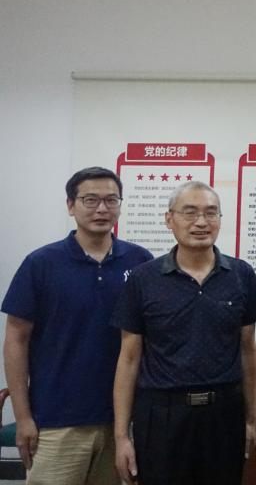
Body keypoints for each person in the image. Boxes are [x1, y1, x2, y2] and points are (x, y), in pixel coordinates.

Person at [1, 167, 153, 484]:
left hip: (121, 423)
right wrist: (23, 417)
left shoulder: (140, 262)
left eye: (111, 200)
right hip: (56, 421)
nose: (102, 209)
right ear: (71, 205)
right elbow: (16, 340)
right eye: (90, 200)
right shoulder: (41, 263)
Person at [111, 181, 256, 485]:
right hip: (161, 416)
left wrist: (250, 420)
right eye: (190, 212)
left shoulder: (241, 275)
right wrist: (121, 437)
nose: (201, 222)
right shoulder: (143, 279)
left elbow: (247, 350)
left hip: (224, 415)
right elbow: (128, 360)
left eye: (211, 213)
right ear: (169, 219)